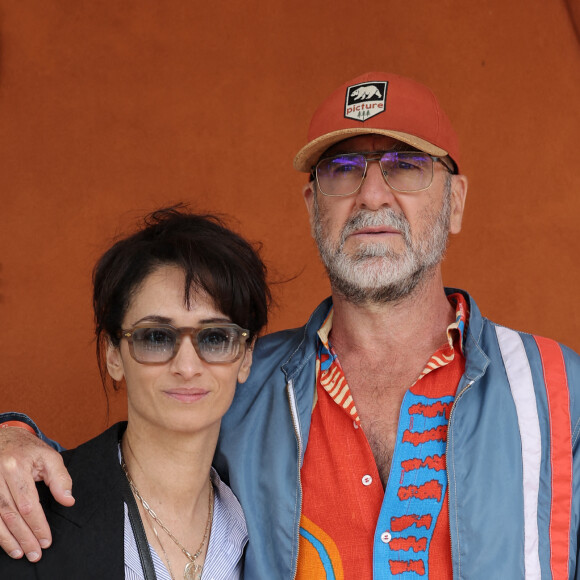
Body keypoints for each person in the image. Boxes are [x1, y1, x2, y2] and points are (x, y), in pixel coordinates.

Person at [0, 72, 579, 579]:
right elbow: (123, 472)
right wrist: (14, 436)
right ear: (311, 206)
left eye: (406, 166)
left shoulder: (560, 391)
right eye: (343, 169)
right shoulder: (239, 381)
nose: (371, 194)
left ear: (454, 202)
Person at [0, 206, 270, 578]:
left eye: (215, 337)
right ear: (113, 353)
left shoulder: (269, 527)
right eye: (157, 337)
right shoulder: (21, 514)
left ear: (246, 356)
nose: (187, 367)